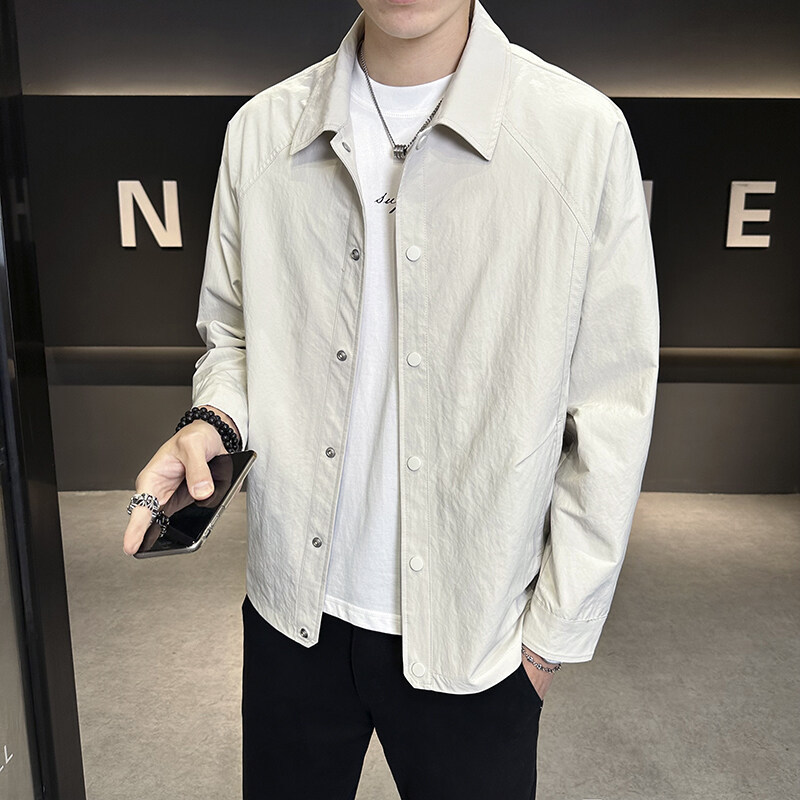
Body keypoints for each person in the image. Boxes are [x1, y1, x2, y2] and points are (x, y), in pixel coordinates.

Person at [123, 0, 659, 796]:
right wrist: (213, 421)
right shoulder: (261, 133)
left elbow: (612, 410)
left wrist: (549, 641)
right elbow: (233, 337)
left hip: (477, 632)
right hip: (291, 614)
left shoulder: (580, 137)